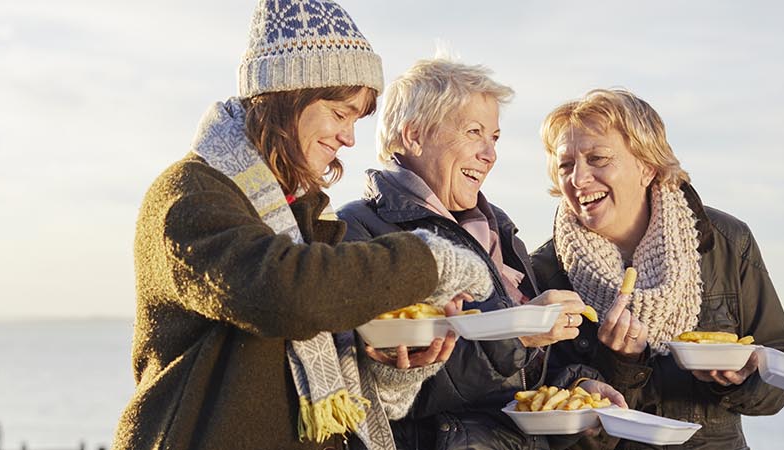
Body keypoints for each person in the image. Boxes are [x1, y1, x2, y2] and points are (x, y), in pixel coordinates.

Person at [113, 2, 501, 450]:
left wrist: (391, 369)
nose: (350, 138)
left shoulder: (308, 217)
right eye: (340, 113)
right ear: (286, 98)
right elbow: (287, 292)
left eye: (356, 120)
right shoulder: (189, 195)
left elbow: (331, 368)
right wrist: (427, 258)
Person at [338, 56, 625, 450]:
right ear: (414, 135)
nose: (490, 154)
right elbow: (379, 389)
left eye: (494, 137)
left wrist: (577, 384)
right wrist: (515, 335)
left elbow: (524, 381)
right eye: (474, 132)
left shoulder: (496, 228)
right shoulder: (359, 231)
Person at [530, 89, 784, 449]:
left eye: (598, 158)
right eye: (565, 165)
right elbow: (550, 424)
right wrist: (620, 366)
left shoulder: (726, 243)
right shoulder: (545, 272)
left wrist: (738, 380)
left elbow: (783, 376)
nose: (578, 179)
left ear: (647, 167)